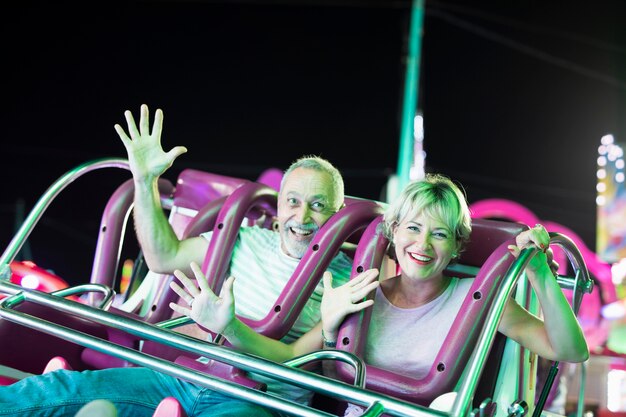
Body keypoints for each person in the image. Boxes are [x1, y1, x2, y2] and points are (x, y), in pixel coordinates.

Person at [0, 104, 356, 417]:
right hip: (186, 378)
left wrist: (228, 328)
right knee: (63, 389)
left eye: (319, 205)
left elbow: (292, 356)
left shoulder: (344, 278)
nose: (303, 215)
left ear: (339, 213)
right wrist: (145, 180)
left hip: (261, 403)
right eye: (293, 201)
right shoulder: (244, 241)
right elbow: (163, 255)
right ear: (279, 206)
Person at [171, 173, 589, 416]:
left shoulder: (474, 300)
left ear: (457, 246)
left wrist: (540, 275)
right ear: (392, 234)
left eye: (439, 233)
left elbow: (569, 351)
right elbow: (287, 358)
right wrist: (228, 326)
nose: (422, 244)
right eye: (412, 228)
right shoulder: (361, 292)